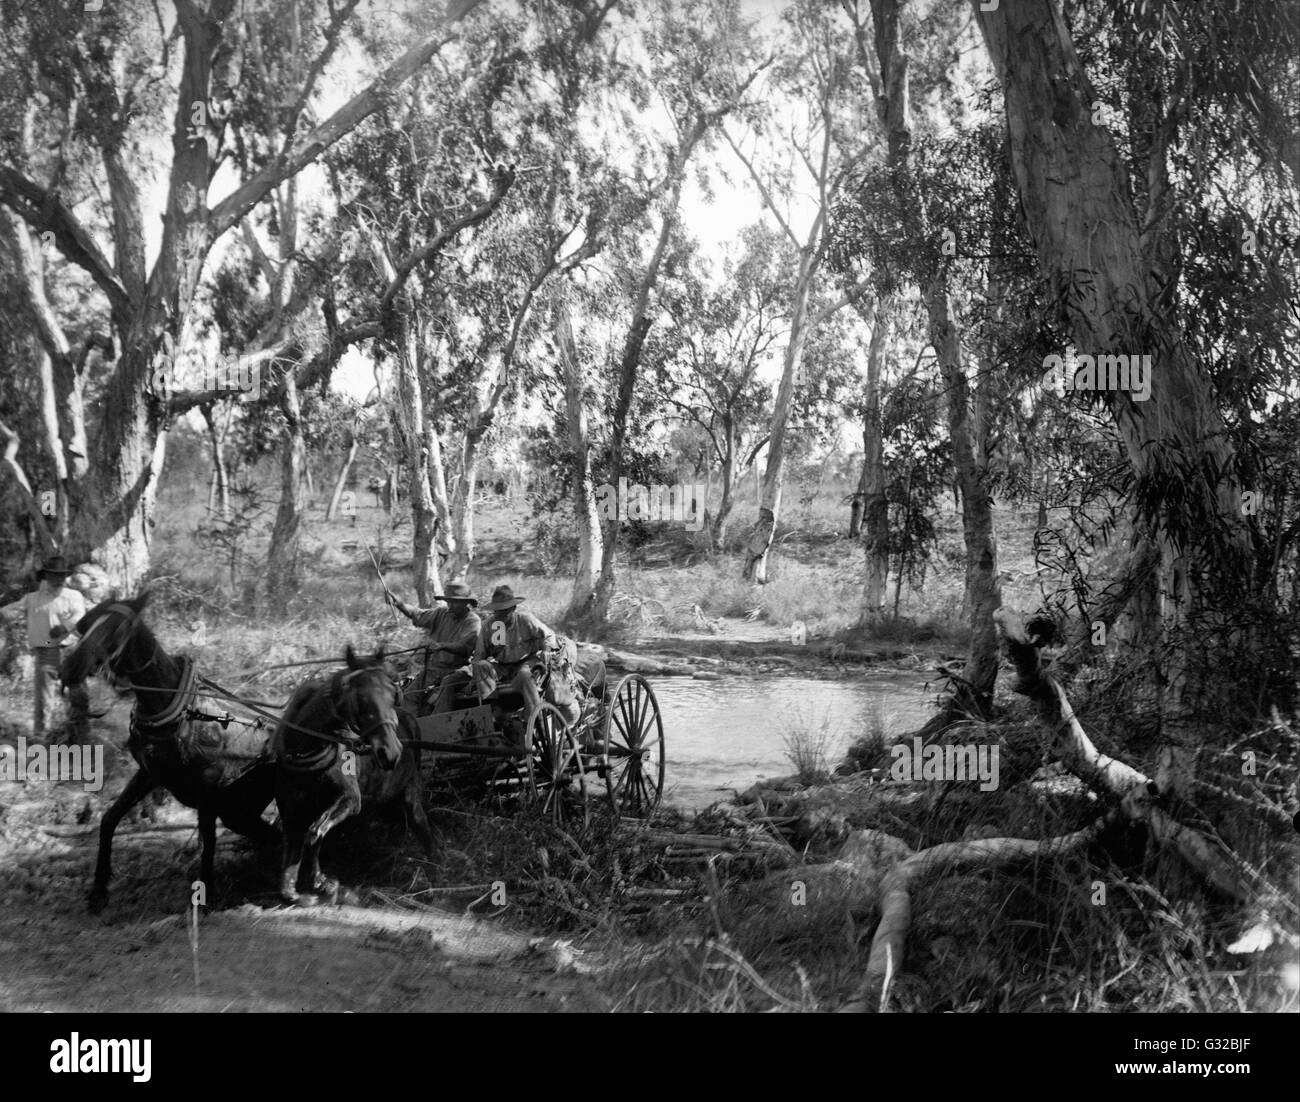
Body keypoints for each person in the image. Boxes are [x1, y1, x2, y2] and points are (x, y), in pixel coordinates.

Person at [0, 555, 89, 743]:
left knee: (77, 693)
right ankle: (42, 736)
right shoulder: (33, 599)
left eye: (61, 575)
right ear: (46, 576)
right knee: (44, 697)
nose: (57, 579)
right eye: (53, 575)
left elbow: (81, 616)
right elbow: (11, 611)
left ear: (65, 577)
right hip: (46, 649)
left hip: (71, 649)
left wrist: (65, 626)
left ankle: (80, 736)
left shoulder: (74, 596)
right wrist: (4, 614)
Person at [385, 580, 481, 713]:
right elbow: (417, 614)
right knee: (409, 696)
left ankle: (438, 725)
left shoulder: (472, 621)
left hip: (457, 670)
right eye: (448, 602)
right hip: (433, 670)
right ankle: (412, 729)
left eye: (455, 602)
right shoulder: (441, 613)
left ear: (466, 603)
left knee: (445, 691)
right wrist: (399, 604)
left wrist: (442, 646)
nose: (450, 606)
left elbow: (464, 647)